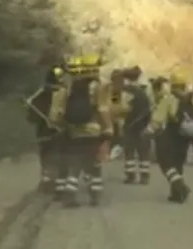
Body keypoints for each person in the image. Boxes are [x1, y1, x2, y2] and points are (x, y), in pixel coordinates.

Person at [48, 55, 113, 207]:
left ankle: (70, 195)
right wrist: (109, 128)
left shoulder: (65, 88)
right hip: (94, 132)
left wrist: (59, 126)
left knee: (75, 164)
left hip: (73, 132)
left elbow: (55, 113)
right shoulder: (98, 87)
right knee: (94, 164)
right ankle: (95, 195)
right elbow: (103, 110)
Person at [147, 71, 193, 203]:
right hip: (185, 138)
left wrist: (148, 131)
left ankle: (180, 187)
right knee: (178, 165)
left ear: (172, 85)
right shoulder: (191, 99)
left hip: (171, 135)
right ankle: (176, 195)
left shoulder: (169, 99)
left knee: (165, 163)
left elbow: (157, 119)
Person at [25, 65, 64, 193]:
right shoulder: (64, 92)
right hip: (61, 131)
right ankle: (59, 181)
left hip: (43, 131)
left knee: (46, 154)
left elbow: (31, 116)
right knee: (61, 154)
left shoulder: (41, 93)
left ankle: (47, 180)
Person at [121, 66, 153, 184]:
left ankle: (131, 175)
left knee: (129, 151)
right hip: (144, 124)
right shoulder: (145, 90)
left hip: (130, 125)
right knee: (143, 151)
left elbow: (123, 109)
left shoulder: (126, 91)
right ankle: (145, 176)